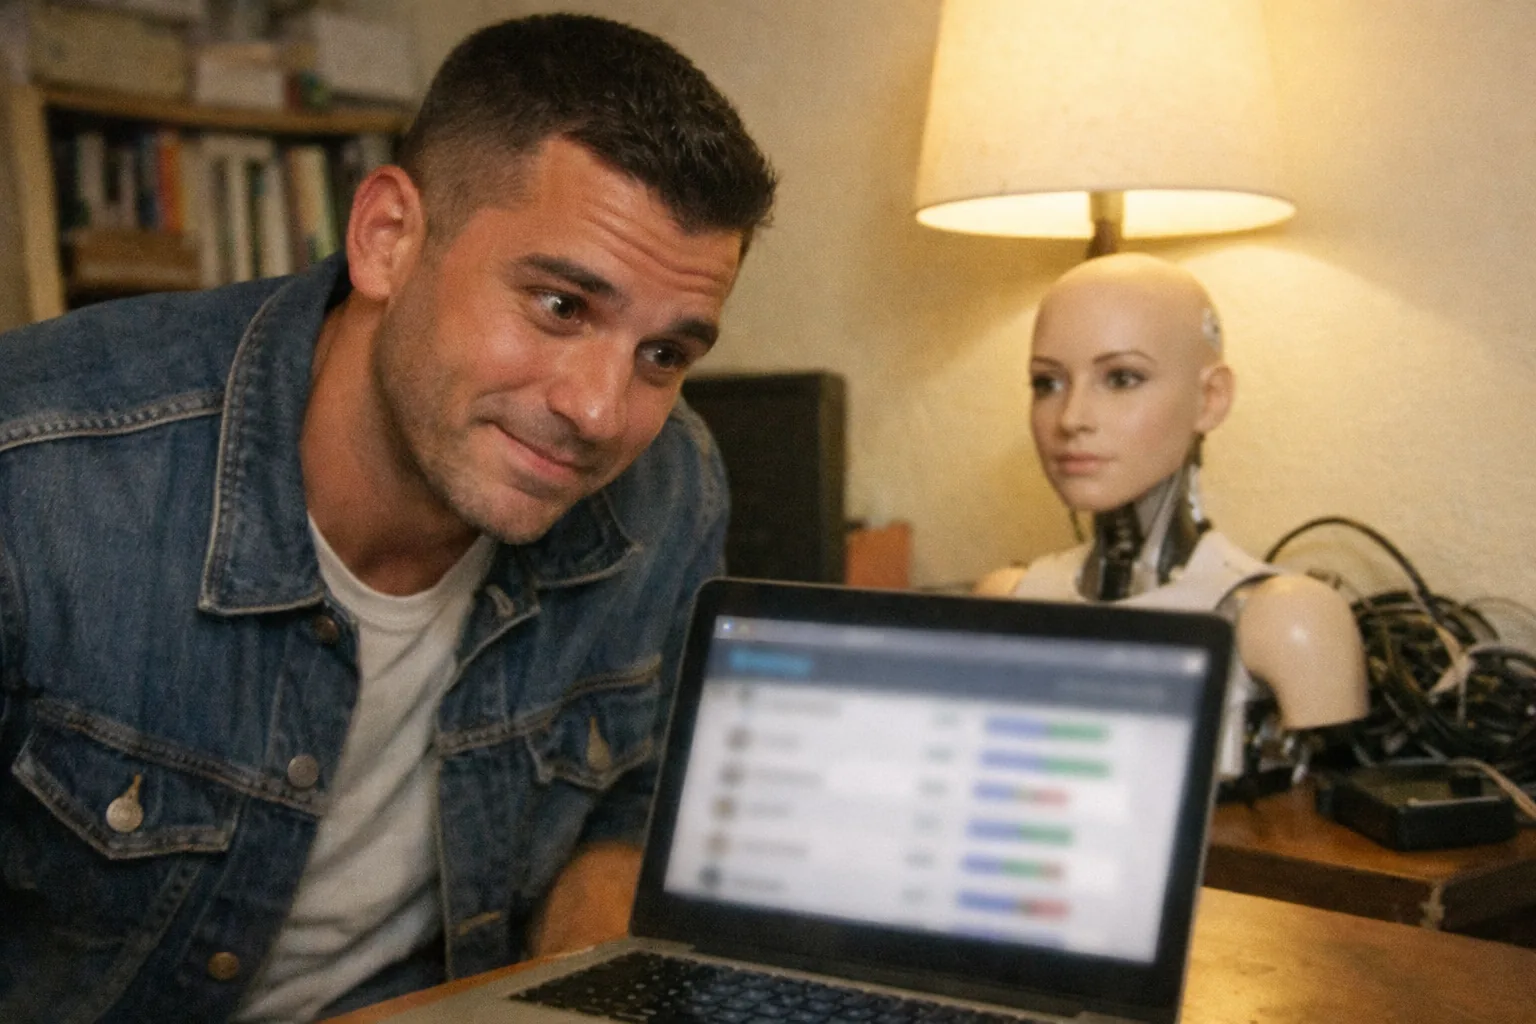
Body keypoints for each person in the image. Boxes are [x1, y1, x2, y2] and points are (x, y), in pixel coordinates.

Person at [0, 14, 776, 1024]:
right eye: (560, 306)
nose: (599, 410)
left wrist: (571, 998)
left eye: (664, 355)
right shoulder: (37, 477)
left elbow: (639, 796)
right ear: (386, 238)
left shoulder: (671, 486)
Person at [975, 253, 1367, 781]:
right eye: (1047, 383)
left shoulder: (1282, 620)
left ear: (1210, 398)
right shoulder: (1008, 600)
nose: (1071, 419)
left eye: (1121, 378)